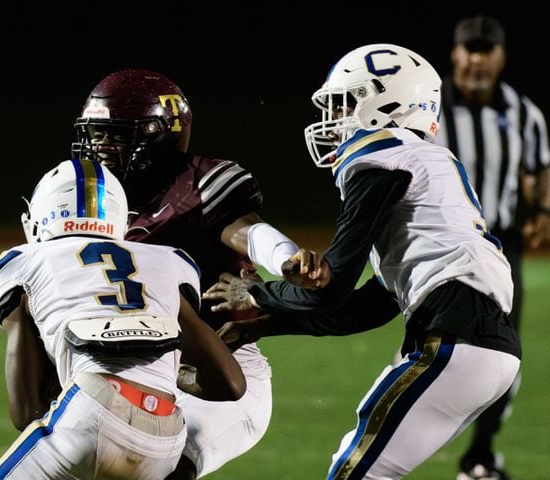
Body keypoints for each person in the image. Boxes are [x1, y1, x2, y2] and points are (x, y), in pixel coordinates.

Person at [0, 69, 300, 479]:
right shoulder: (96, 199)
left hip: (216, 367)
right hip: (124, 369)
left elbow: (247, 230)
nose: (98, 146)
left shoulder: (198, 186)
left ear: (160, 134)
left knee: (168, 471)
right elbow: (44, 287)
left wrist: (286, 258)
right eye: (94, 134)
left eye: (114, 135)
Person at [203, 44, 522, 479]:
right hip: (486, 346)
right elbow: (366, 308)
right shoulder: (424, 171)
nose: (333, 120)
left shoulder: (384, 155)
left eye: (347, 103)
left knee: (355, 472)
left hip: (456, 340)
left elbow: (328, 290)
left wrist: (256, 292)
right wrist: (268, 322)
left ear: (388, 104)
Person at [0, 159, 247, 478]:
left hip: (91, 407)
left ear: (38, 219)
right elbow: (232, 384)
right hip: (167, 433)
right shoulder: (168, 260)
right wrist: (172, 375)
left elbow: (25, 412)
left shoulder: (20, 263)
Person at [434, 15, 550, 480]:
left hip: (499, 249)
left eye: (486, 50)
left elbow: (539, 168)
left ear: (501, 57)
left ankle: (479, 457)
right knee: (428, 350)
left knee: (503, 356)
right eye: (469, 49)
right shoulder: (428, 106)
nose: (477, 59)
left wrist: (541, 211)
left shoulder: (524, 112)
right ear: (455, 55)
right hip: (436, 247)